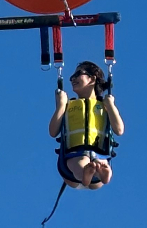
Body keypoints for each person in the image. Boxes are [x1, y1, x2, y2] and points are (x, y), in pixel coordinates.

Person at [49, 60, 125, 189]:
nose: (72, 78)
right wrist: (61, 105)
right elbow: (53, 132)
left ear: (92, 79)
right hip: (74, 152)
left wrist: (111, 105)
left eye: (78, 74)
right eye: (72, 77)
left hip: (99, 152)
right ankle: (86, 174)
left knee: (101, 164)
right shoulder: (68, 105)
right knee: (80, 164)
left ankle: (102, 174)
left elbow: (119, 130)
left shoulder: (105, 106)